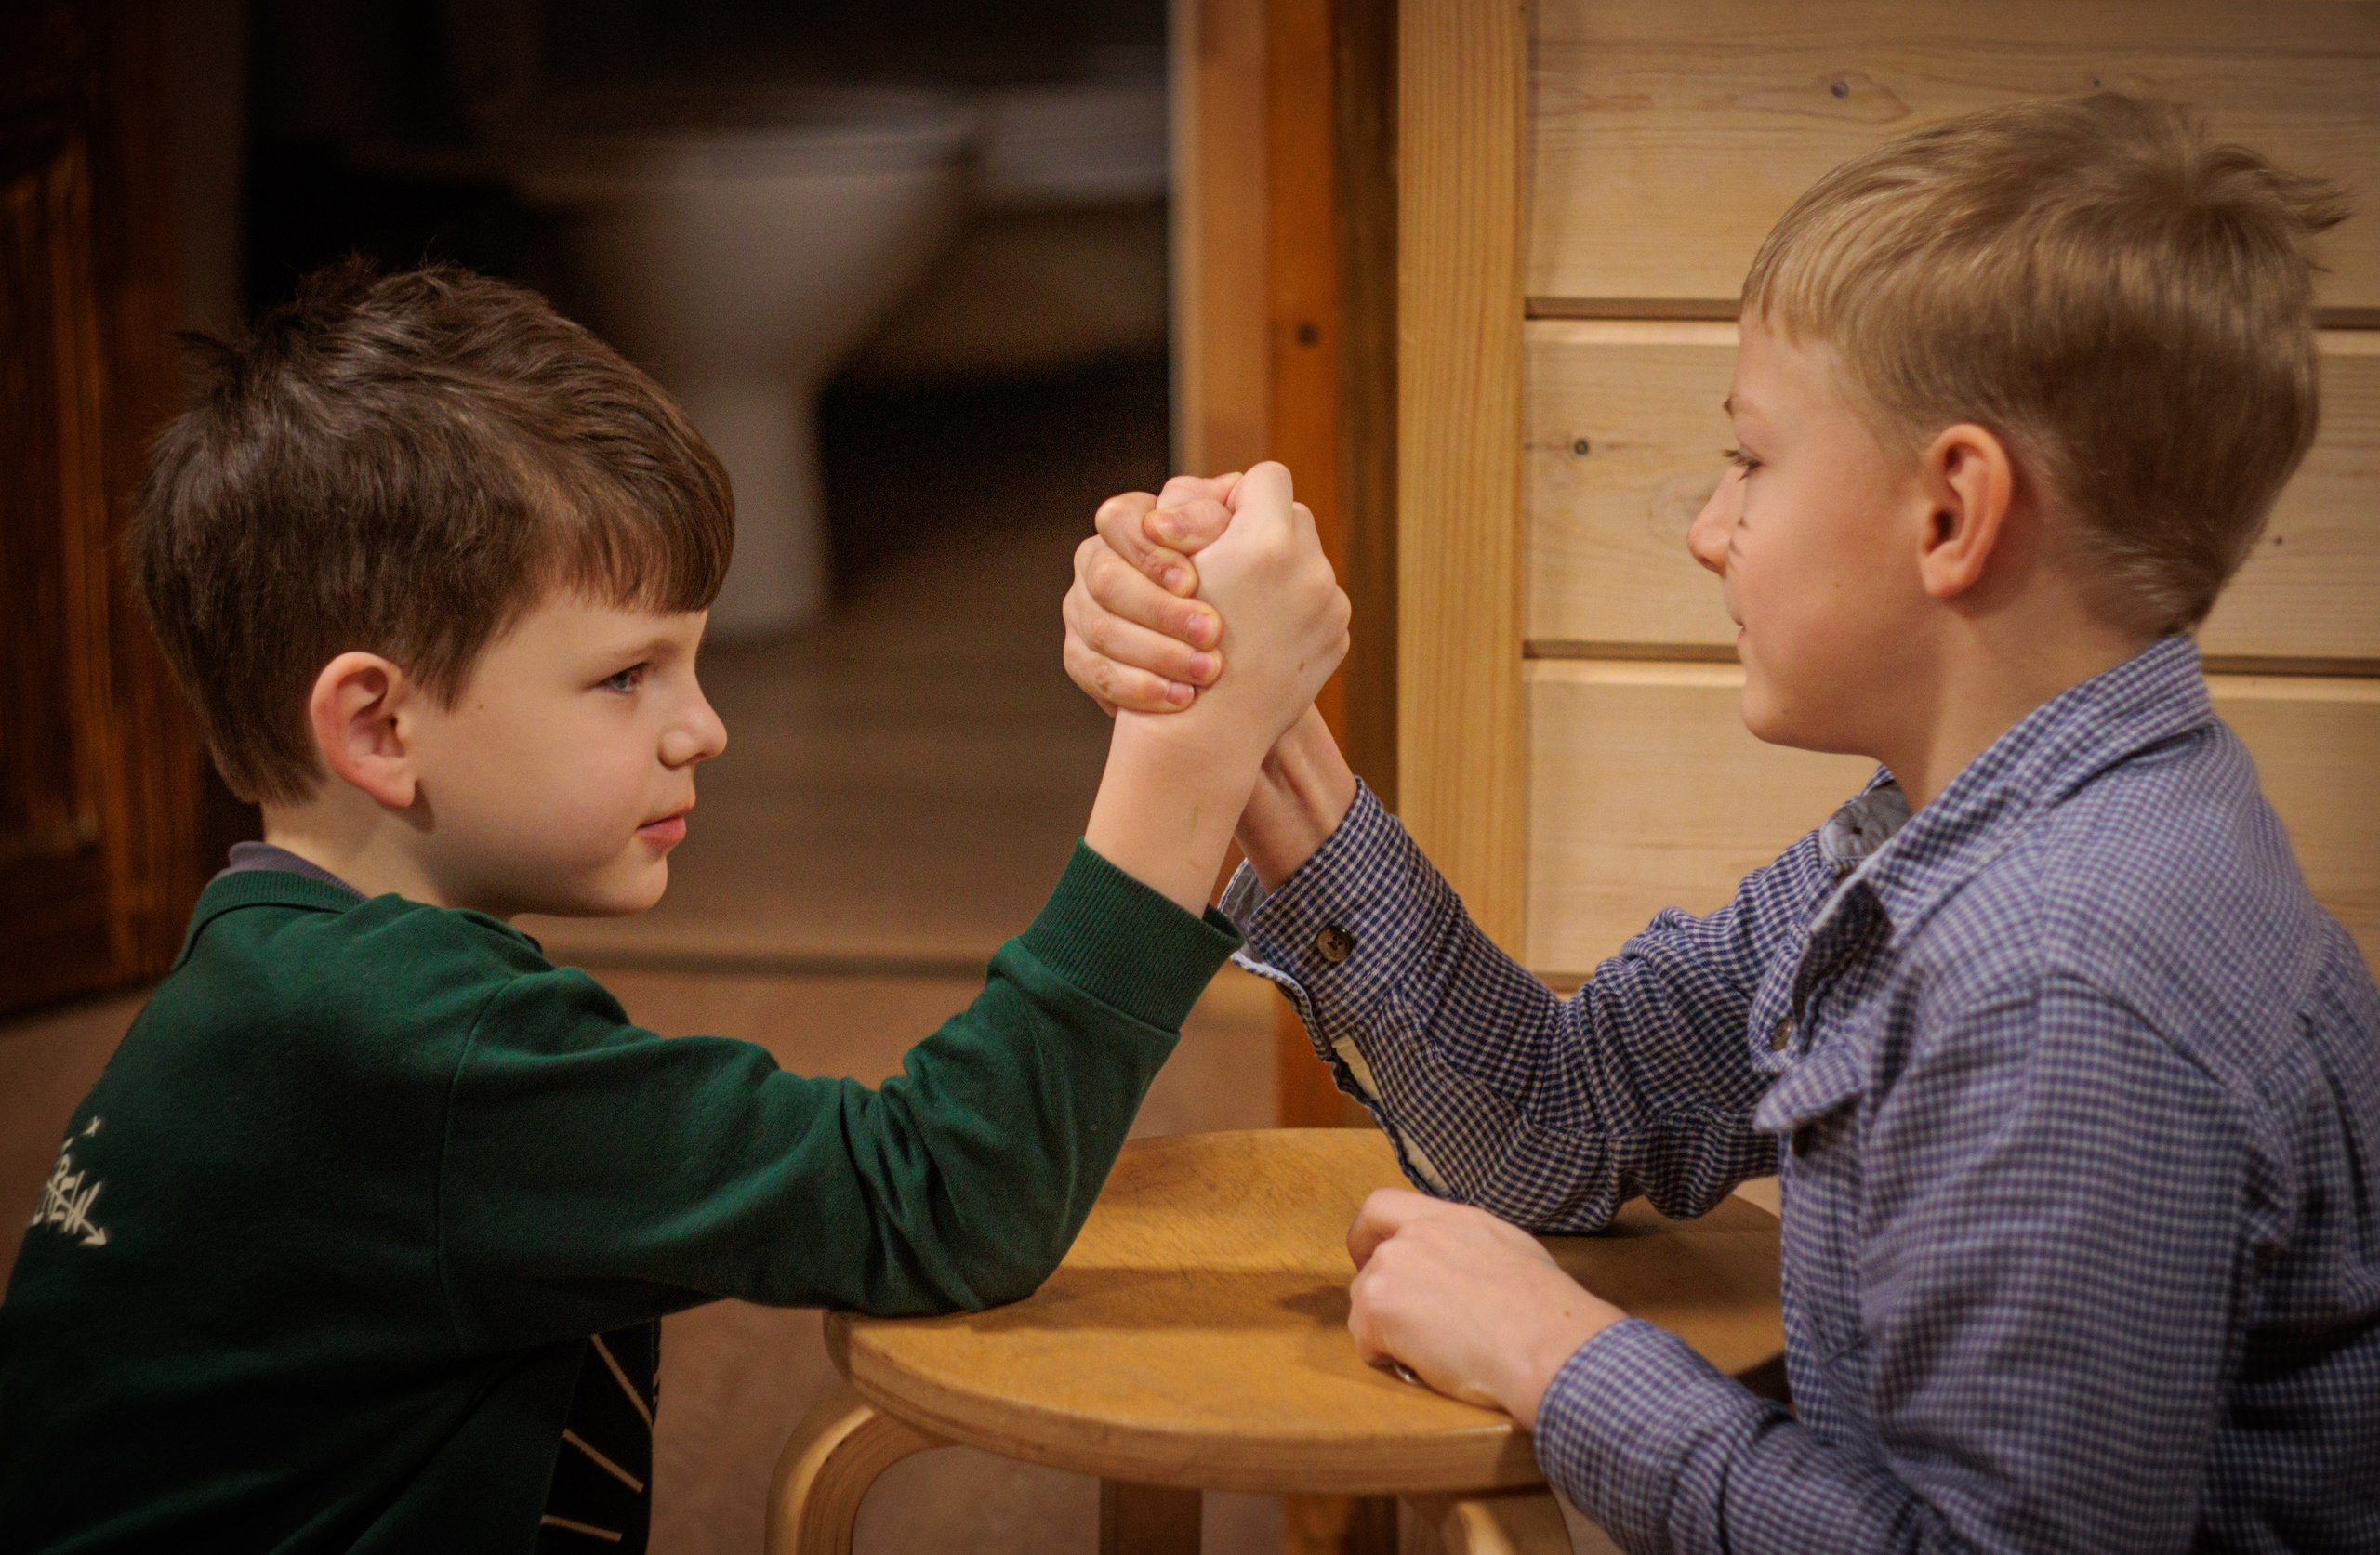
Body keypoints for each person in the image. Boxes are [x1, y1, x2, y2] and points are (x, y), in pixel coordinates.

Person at [1063, 95, 2380, 1551]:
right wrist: (1250, 721)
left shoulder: (2061, 992)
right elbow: (1556, 1113)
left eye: (1752, 458)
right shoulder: (1959, 839)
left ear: (1953, 512)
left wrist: (1560, 1357)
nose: (1708, 528)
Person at [0, 261, 1348, 1552]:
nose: (703, 728)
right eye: (625, 676)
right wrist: (1188, 761)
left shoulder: (272, 981)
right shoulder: (414, 1048)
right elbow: (938, 1200)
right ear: (378, 725)